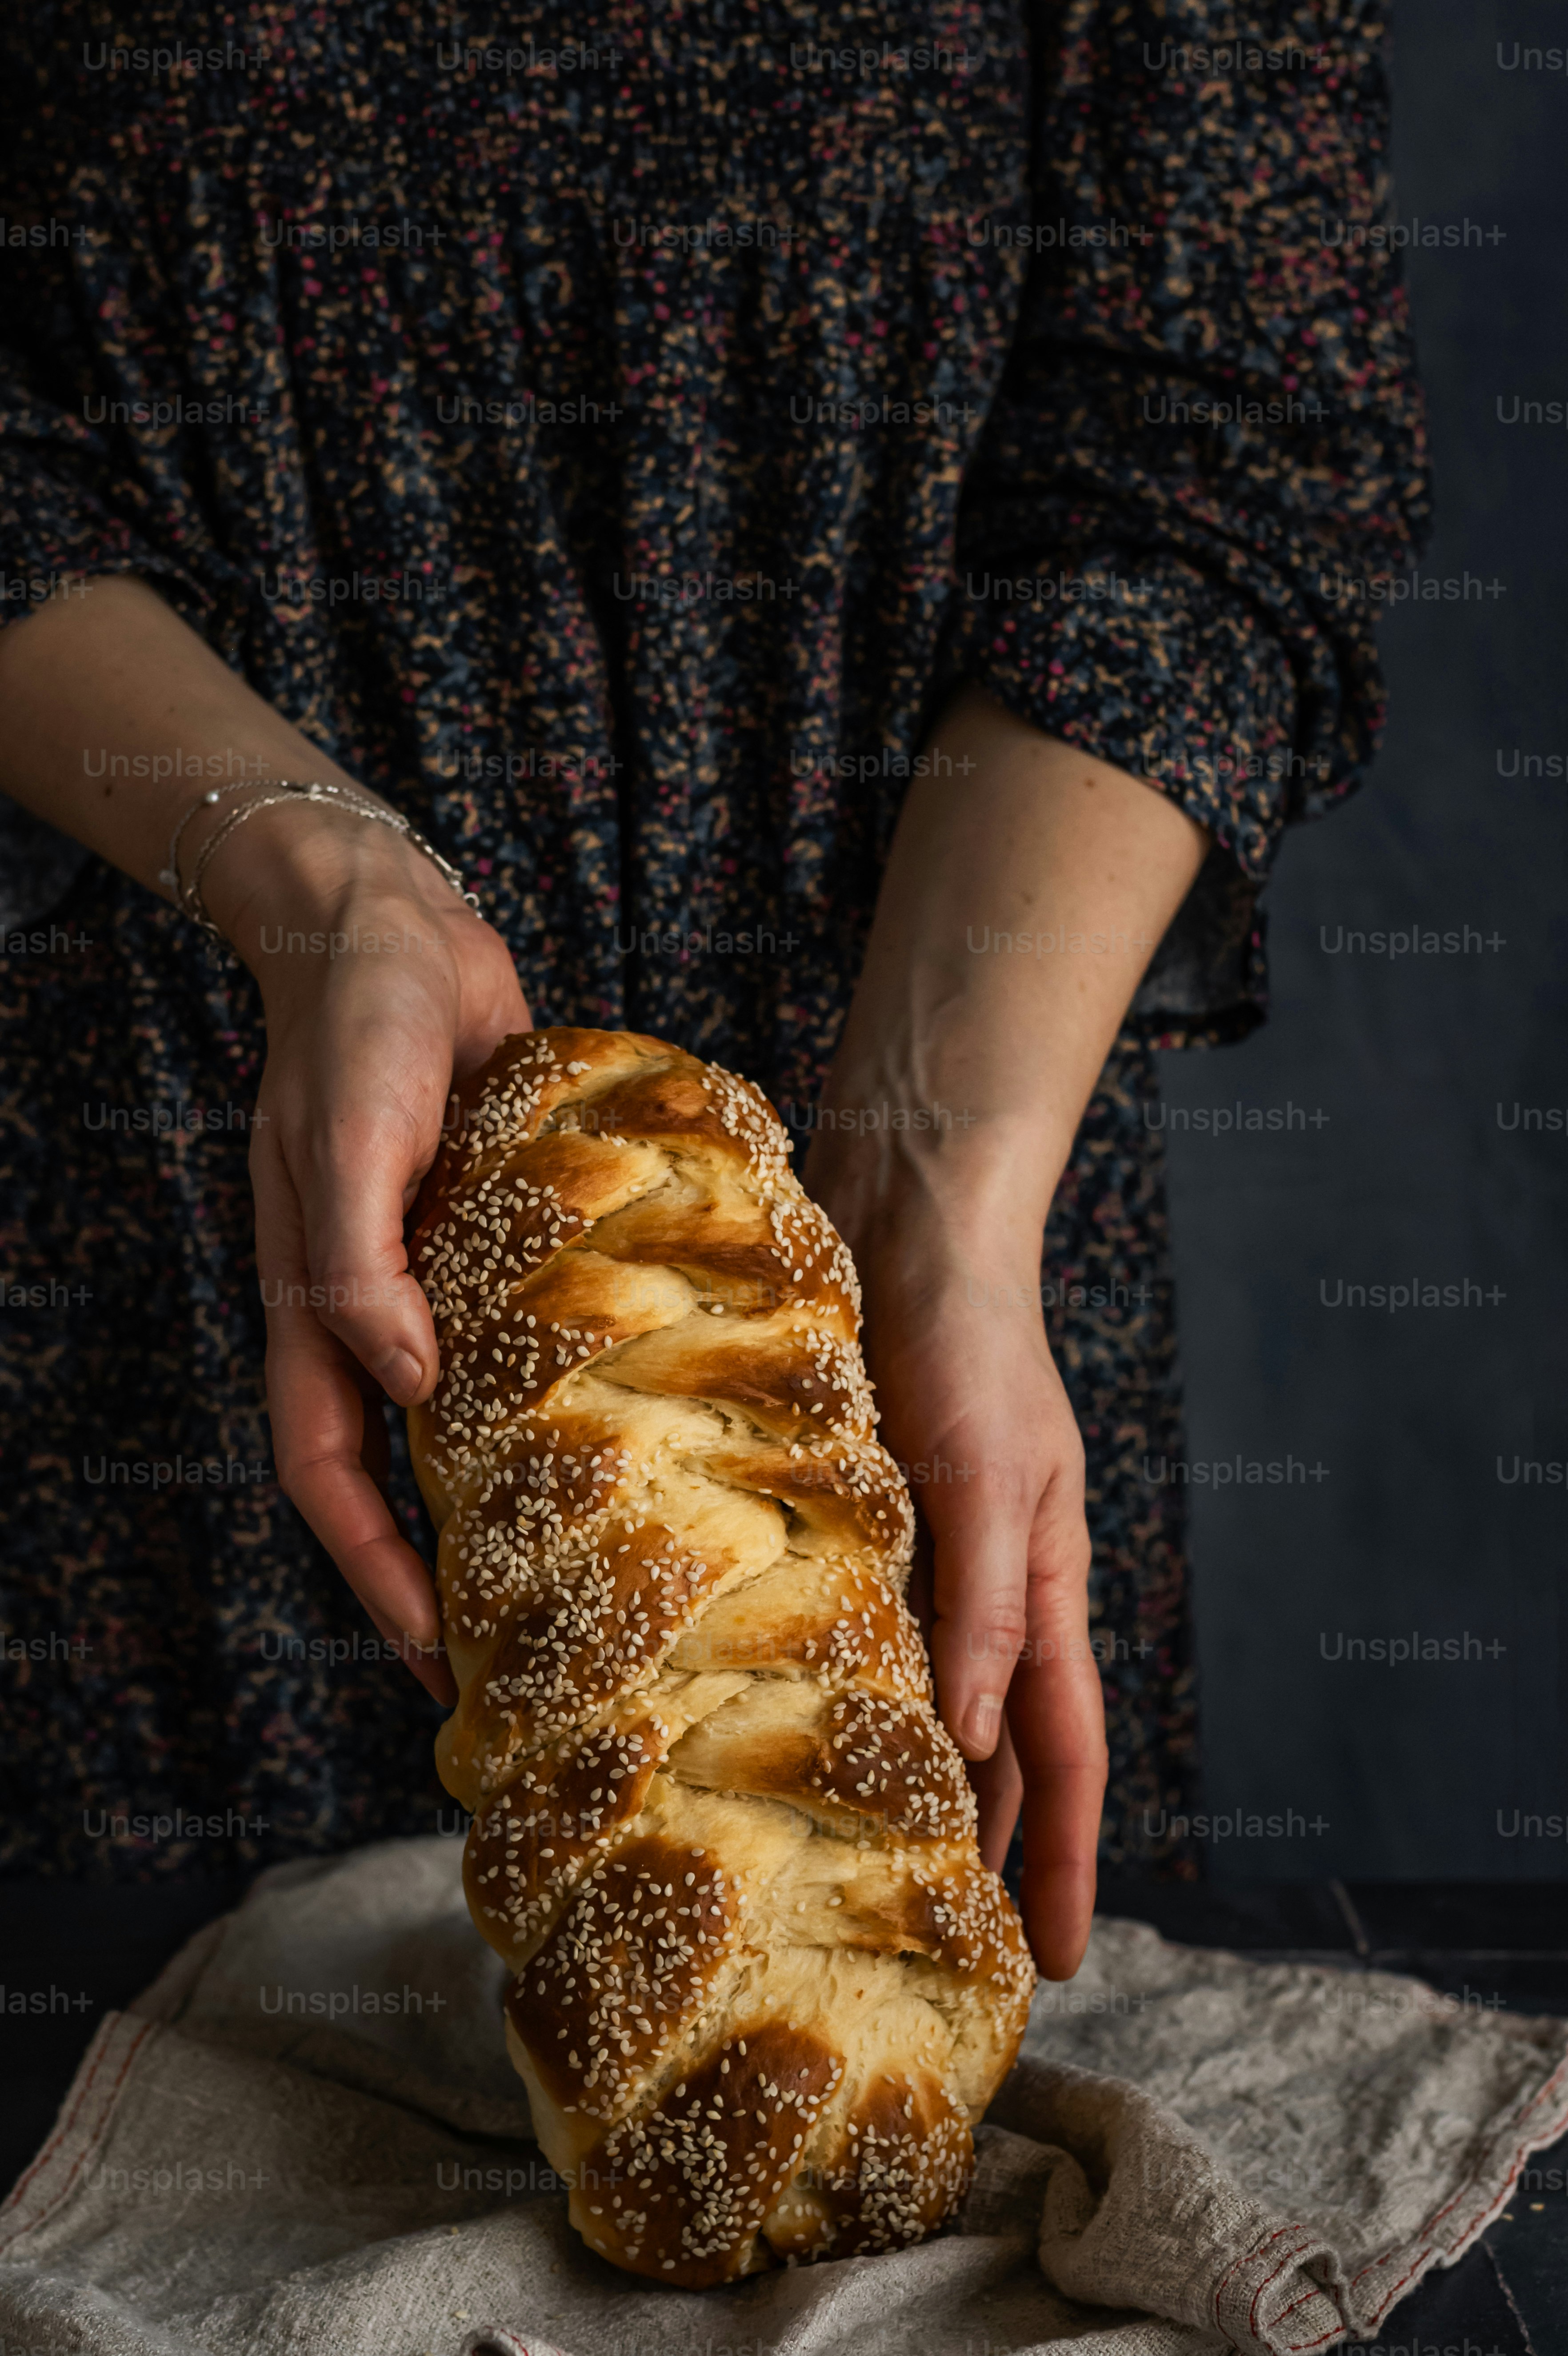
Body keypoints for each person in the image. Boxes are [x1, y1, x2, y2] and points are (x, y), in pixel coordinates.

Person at [0, 5, 1427, 1978]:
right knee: (126, 2058)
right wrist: (310, 874)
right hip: (182, 1189)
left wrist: (933, 1178)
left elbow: (1226, 432)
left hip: (927, 1236)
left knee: (923, 1973)